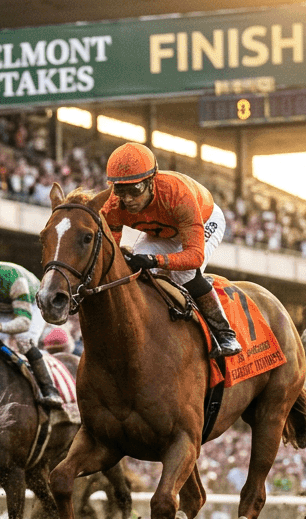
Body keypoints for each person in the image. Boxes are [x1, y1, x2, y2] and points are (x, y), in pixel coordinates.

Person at [100, 142, 241, 358]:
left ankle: (224, 333)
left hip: (205, 219)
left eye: (135, 189)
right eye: (120, 190)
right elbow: (111, 255)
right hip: (162, 231)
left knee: (183, 273)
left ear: (151, 182)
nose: (127, 199)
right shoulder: (112, 206)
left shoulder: (177, 194)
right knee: (137, 273)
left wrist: (155, 260)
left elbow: (194, 256)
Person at [0, 243, 64, 408]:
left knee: (24, 340)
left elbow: (23, 322)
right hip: (2, 306)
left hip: (31, 306)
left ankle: (49, 389)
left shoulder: (14, 280)